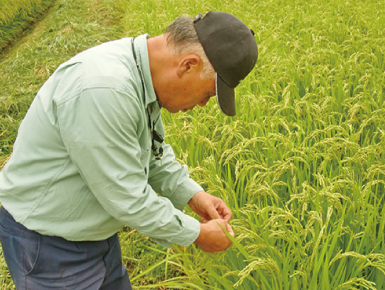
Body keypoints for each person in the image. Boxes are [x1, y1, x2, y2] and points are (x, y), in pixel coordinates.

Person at [0, 11, 258, 289]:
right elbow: (127, 197)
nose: (204, 103)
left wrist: (193, 195)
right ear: (188, 65)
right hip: (48, 246)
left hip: (95, 236)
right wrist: (197, 234)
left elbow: (152, 152)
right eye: (208, 93)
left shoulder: (141, 73)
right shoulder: (104, 89)